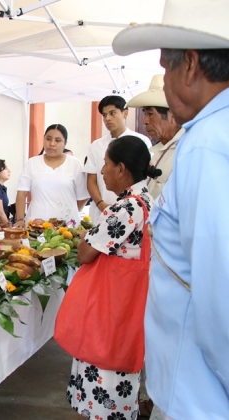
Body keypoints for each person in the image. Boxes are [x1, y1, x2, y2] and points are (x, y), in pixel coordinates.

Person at [113, 1, 229, 418]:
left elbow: (220, 294)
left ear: (191, 64)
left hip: (199, 396)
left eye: (166, 67)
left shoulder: (207, 144)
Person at [67, 136, 159, 420]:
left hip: (110, 308)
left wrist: (85, 237)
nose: (102, 171)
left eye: (105, 164)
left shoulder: (123, 209)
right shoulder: (146, 199)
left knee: (102, 374)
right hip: (129, 304)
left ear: (121, 169)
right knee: (122, 379)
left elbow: (85, 254)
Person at [84, 96, 152, 221]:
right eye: (104, 115)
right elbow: (91, 180)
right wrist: (101, 204)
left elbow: (146, 178)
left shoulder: (141, 141)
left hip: (132, 210)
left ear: (125, 113)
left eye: (112, 113)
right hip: (101, 211)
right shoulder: (96, 145)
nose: (107, 118)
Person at [14, 124, 89, 227]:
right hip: (36, 225)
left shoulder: (75, 164)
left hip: (67, 227)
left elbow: (83, 196)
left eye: (58, 140)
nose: (52, 144)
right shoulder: (32, 163)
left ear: (65, 143)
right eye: (48, 139)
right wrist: (20, 219)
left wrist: (68, 211)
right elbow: (21, 193)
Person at [127, 74, 184, 199]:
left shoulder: (185, 152)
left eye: (150, 114)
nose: (145, 121)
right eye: (145, 114)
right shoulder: (154, 151)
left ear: (172, 116)